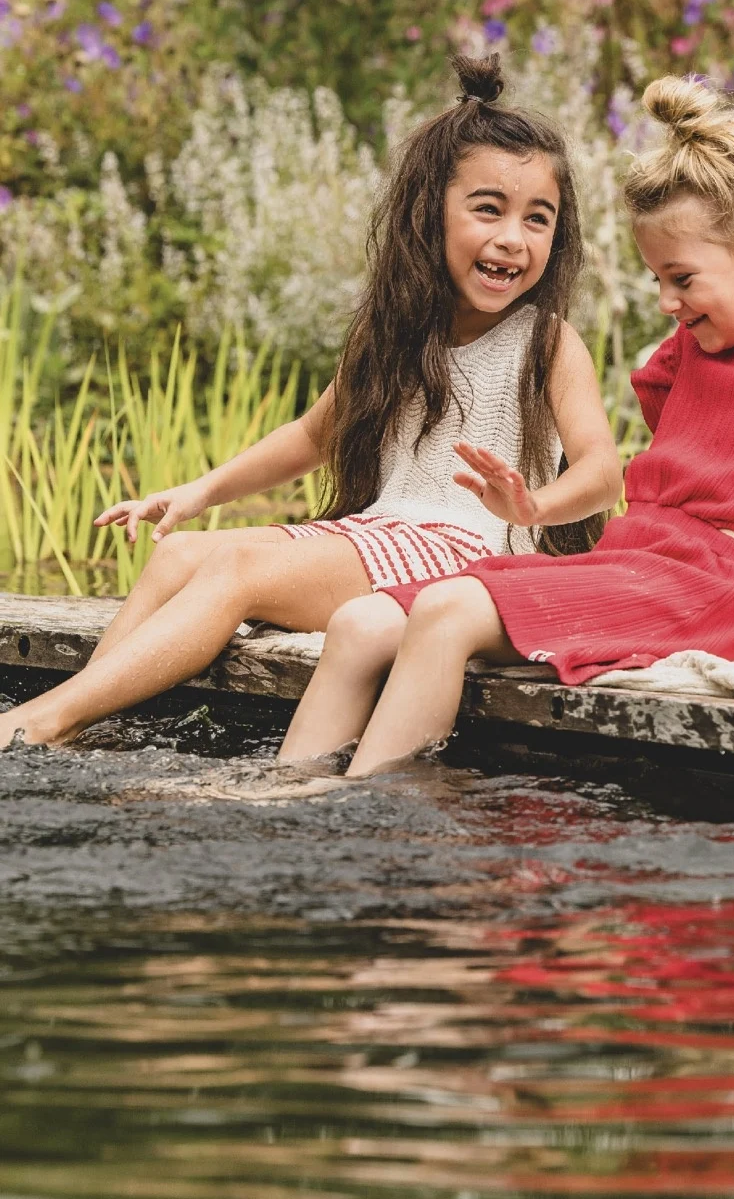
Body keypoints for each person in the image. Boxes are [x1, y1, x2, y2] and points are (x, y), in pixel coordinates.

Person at [277, 74, 734, 777]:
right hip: (632, 567)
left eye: (682, 278)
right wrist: (536, 508)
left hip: (708, 591)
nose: (667, 301)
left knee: (448, 611)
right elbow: (690, 497)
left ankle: (367, 824)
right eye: (656, 280)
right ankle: (280, 798)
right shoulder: (693, 353)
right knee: (361, 622)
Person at [0, 54, 622, 750]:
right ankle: (90, 728)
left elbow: (603, 470)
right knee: (177, 557)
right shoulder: (393, 335)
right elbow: (311, 435)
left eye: (539, 219)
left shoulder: (546, 342)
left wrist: (535, 505)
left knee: (234, 571)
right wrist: (197, 493)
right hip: (384, 532)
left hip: (467, 556)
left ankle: (43, 720)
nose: (514, 237)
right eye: (488, 209)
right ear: (430, 213)